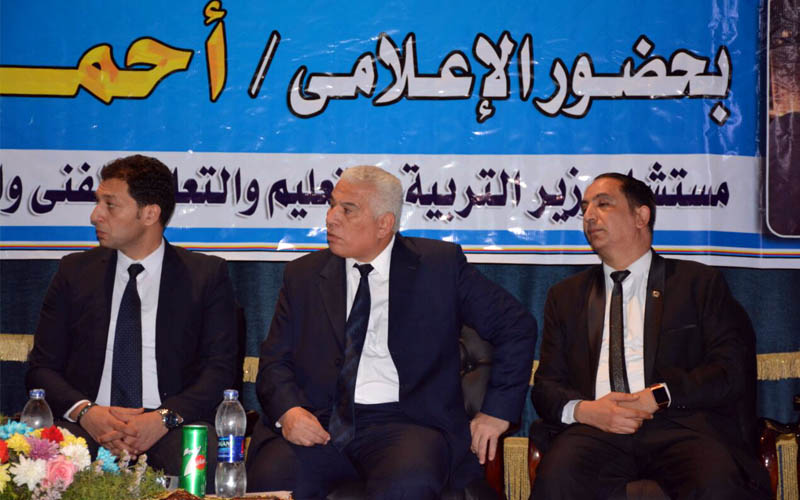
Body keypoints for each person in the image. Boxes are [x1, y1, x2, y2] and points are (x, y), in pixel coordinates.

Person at [245, 165, 536, 499]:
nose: (331, 218)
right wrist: (289, 412)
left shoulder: (438, 266)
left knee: (407, 485)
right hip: (320, 421)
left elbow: (516, 326)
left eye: (347, 210)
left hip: (407, 424)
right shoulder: (303, 275)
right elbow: (274, 362)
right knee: (272, 479)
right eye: (332, 204)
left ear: (384, 224)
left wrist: (497, 412)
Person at [531, 173, 770, 499]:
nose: (589, 216)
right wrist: (585, 410)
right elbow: (546, 386)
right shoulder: (566, 296)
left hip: (679, 425)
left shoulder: (697, 283)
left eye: (603, 204)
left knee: (716, 481)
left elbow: (730, 370)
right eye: (585, 208)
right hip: (596, 428)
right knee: (557, 477)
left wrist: (659, 396)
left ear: (641, 216)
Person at [26, 154, 237, 484]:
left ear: (149, 213)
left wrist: (163, 419)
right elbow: (41, 368)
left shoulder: (204, 276)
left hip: (169, 425)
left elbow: (220, 371)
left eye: (110, 205)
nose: (95, 215)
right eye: (98, 202)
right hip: (89, 423)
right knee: (34, 461)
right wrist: (87, 412)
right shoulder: (74, 272)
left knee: (202, 454)